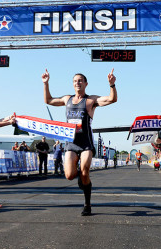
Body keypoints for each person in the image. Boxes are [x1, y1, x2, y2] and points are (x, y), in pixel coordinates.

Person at [42, 68, 117, 216]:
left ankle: (87, 204)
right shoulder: (67, 99)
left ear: (86, 84)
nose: (78, 83)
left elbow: (111, 99)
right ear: (73, 84)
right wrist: (46, 83)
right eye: (75, 81)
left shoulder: (90, 100)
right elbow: (48, 100)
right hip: (71, 143)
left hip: (86, 143)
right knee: (69, 175)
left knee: (85, 171)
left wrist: (112, 85)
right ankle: (82, 181)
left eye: (80, 81)